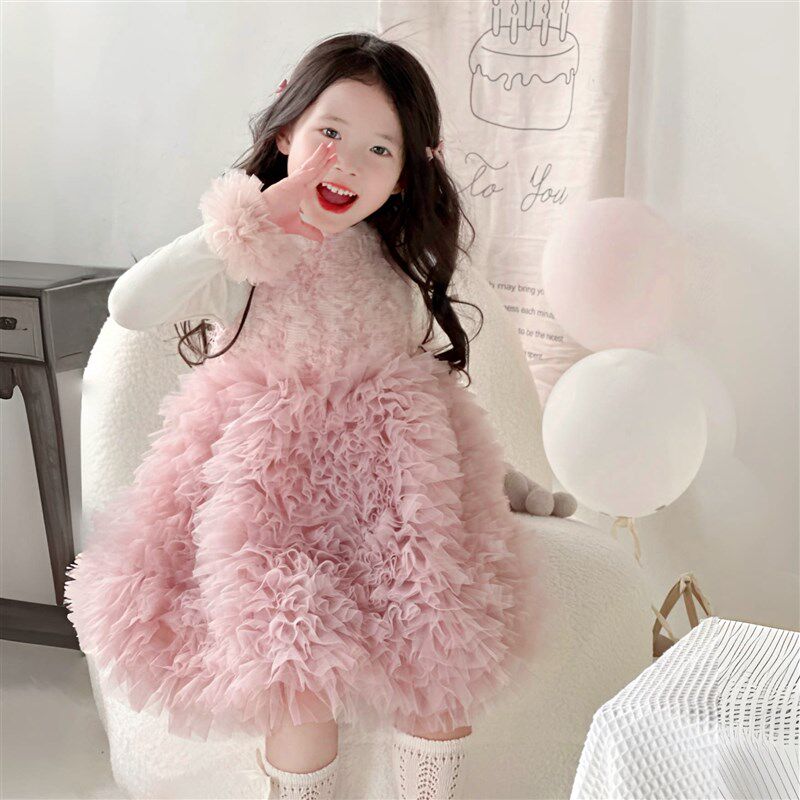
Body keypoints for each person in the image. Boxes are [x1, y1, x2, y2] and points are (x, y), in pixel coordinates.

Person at [64, 31, 549, 800]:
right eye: (330, 134)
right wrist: (254, 217)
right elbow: (132, 304)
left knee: (439, 676)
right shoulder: (245, 256)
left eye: (379, 149)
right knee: (298, 681)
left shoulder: (397, 267)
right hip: (275, 506)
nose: (346, 164)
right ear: (288, 130)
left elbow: (438, 404)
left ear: (407, 172)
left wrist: (507, 482)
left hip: (390, 507)